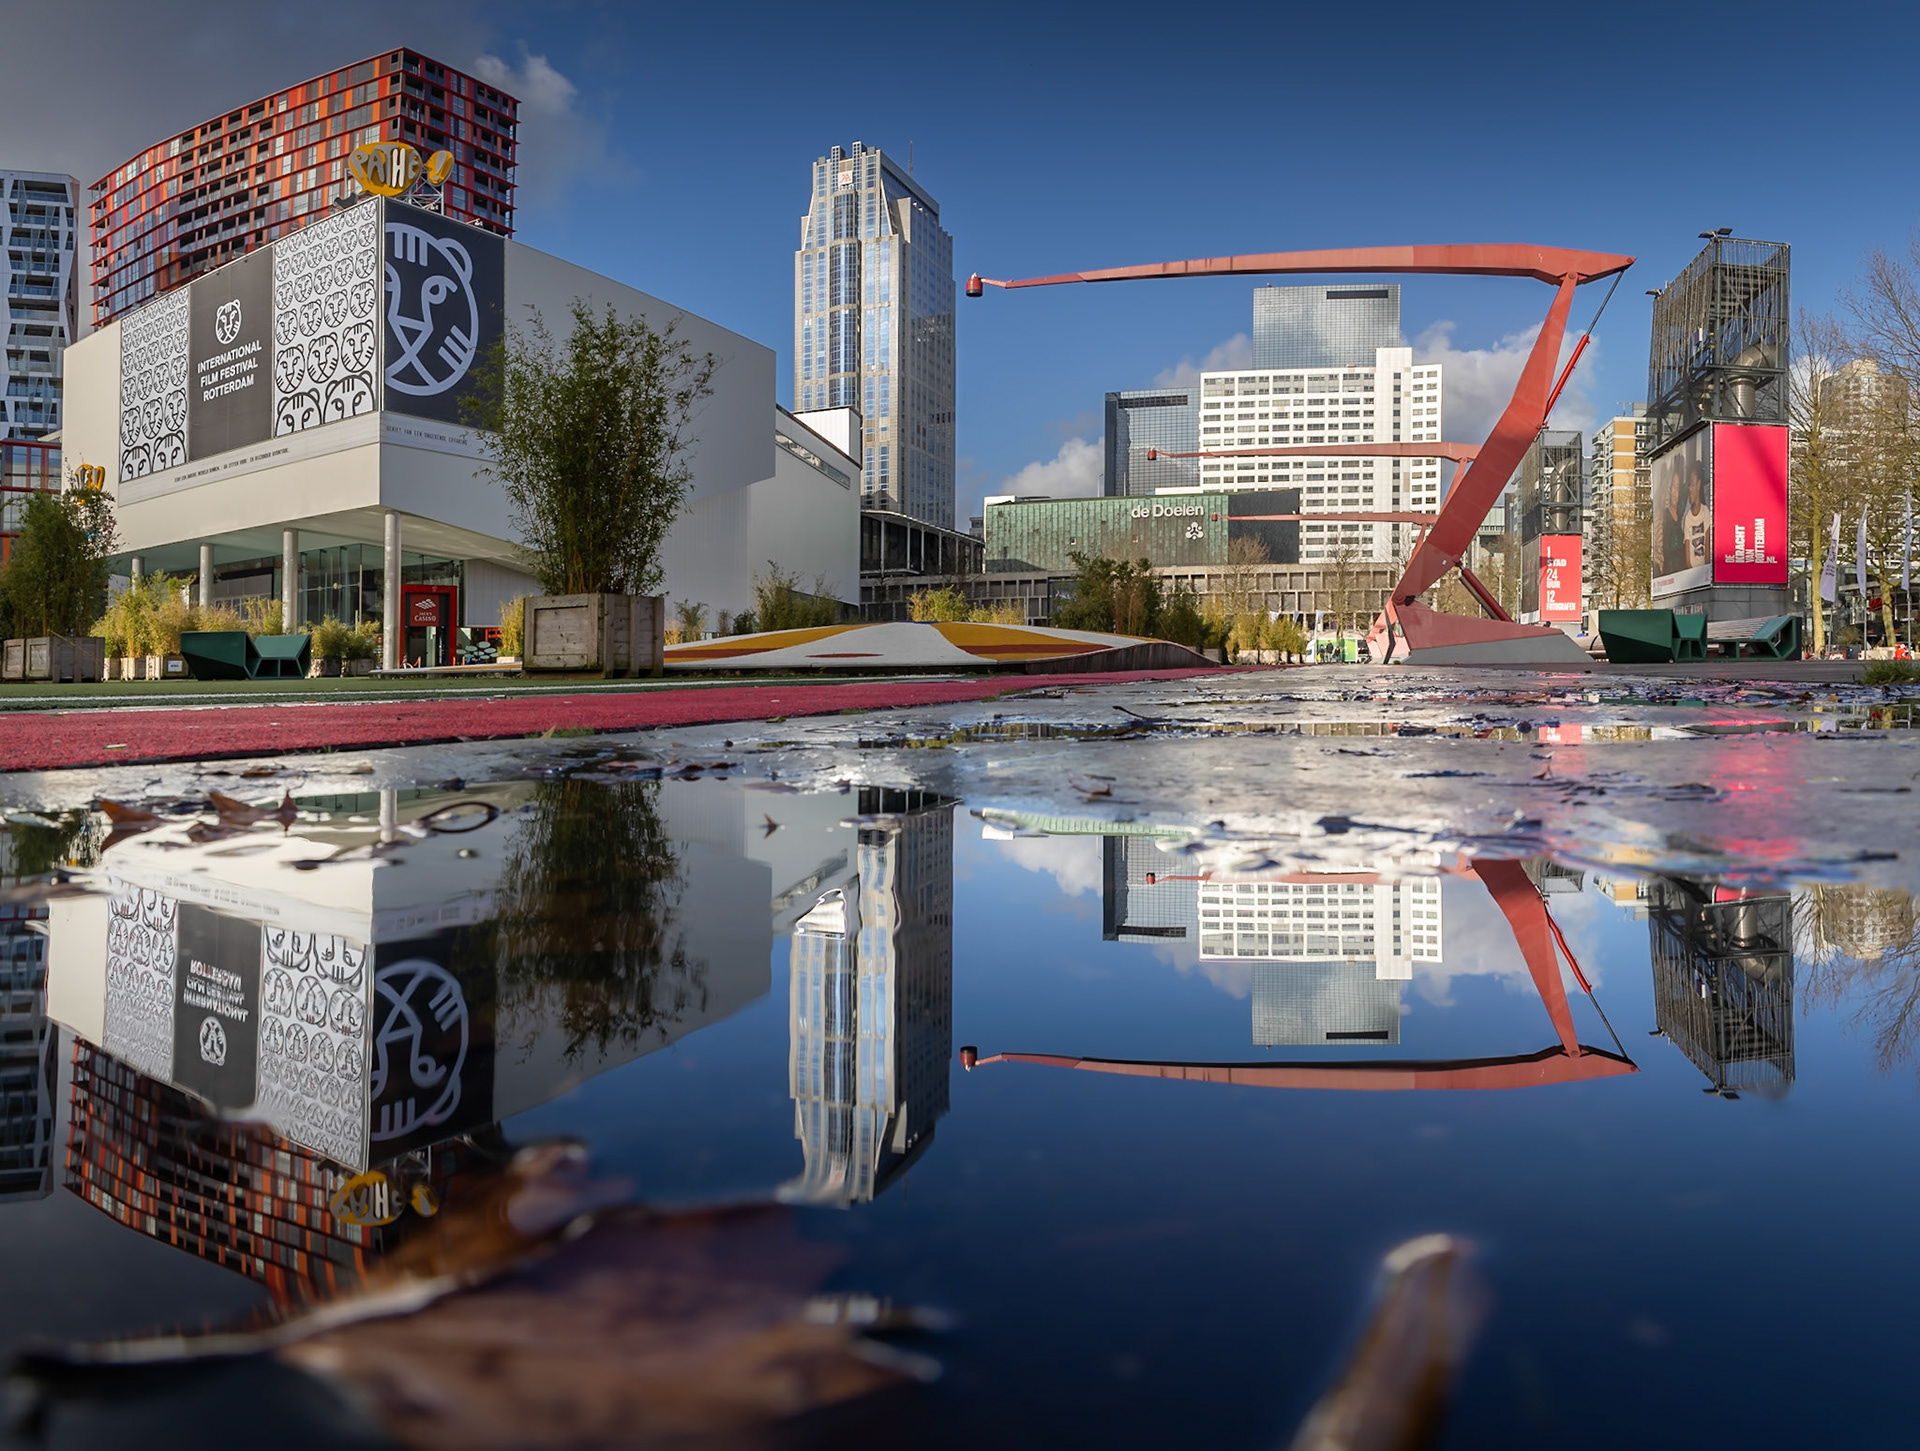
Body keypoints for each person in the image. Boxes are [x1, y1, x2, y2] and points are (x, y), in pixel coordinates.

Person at [1682, 460, 1711, 571]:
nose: (1690, 488)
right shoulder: (1688, 518)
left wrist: (1706, 572)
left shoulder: (1706, 512)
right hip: (1692, 574)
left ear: (1698, 485)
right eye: (1689, 485)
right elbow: (1687, 559)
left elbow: (1707, 550)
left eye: (1692, 484)